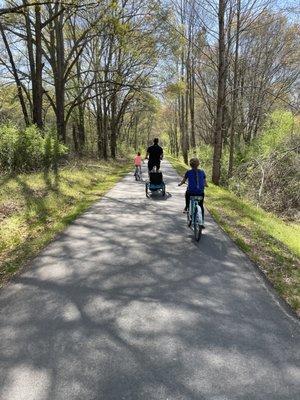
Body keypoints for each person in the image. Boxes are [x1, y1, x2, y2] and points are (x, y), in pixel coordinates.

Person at [178, 158, 207, 226]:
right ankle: (202, 222)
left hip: (191, 192)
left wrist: (180, 184)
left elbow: (183, 181)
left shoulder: (188, 172)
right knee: (201, 205)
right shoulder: (202, 172)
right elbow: (205, 182)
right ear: (198, 164)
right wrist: (206, 185)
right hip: (200, 193)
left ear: (190, 165)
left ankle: (187, 206)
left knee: (187, 194)